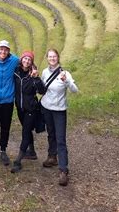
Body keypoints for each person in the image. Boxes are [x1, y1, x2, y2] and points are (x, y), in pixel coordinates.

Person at [40, 48, 78, 186]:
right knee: (51, 134)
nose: (52, 59)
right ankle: (52, 157)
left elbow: (75, 90)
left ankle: (63, 169)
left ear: (58, 58)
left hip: (59, 110)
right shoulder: (44, 72)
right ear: (47, 58)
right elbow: (42, 87)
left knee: (61, 138)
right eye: (50, 57)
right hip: (46, 108)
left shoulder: (65, 73)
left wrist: (67, 81)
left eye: (54, 56)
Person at [11, 50, 45, 173]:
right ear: (21, 59)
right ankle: (32, 152)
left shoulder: (33, 74)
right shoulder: (16, 71)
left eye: (29, 60)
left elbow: (42, 90)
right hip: (20, 108)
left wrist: (36, 78)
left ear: (31, 63)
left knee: (25, 132)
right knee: (26, 128)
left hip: (31, 109)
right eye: (25, 59)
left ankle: (18, 161)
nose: (26, 61)